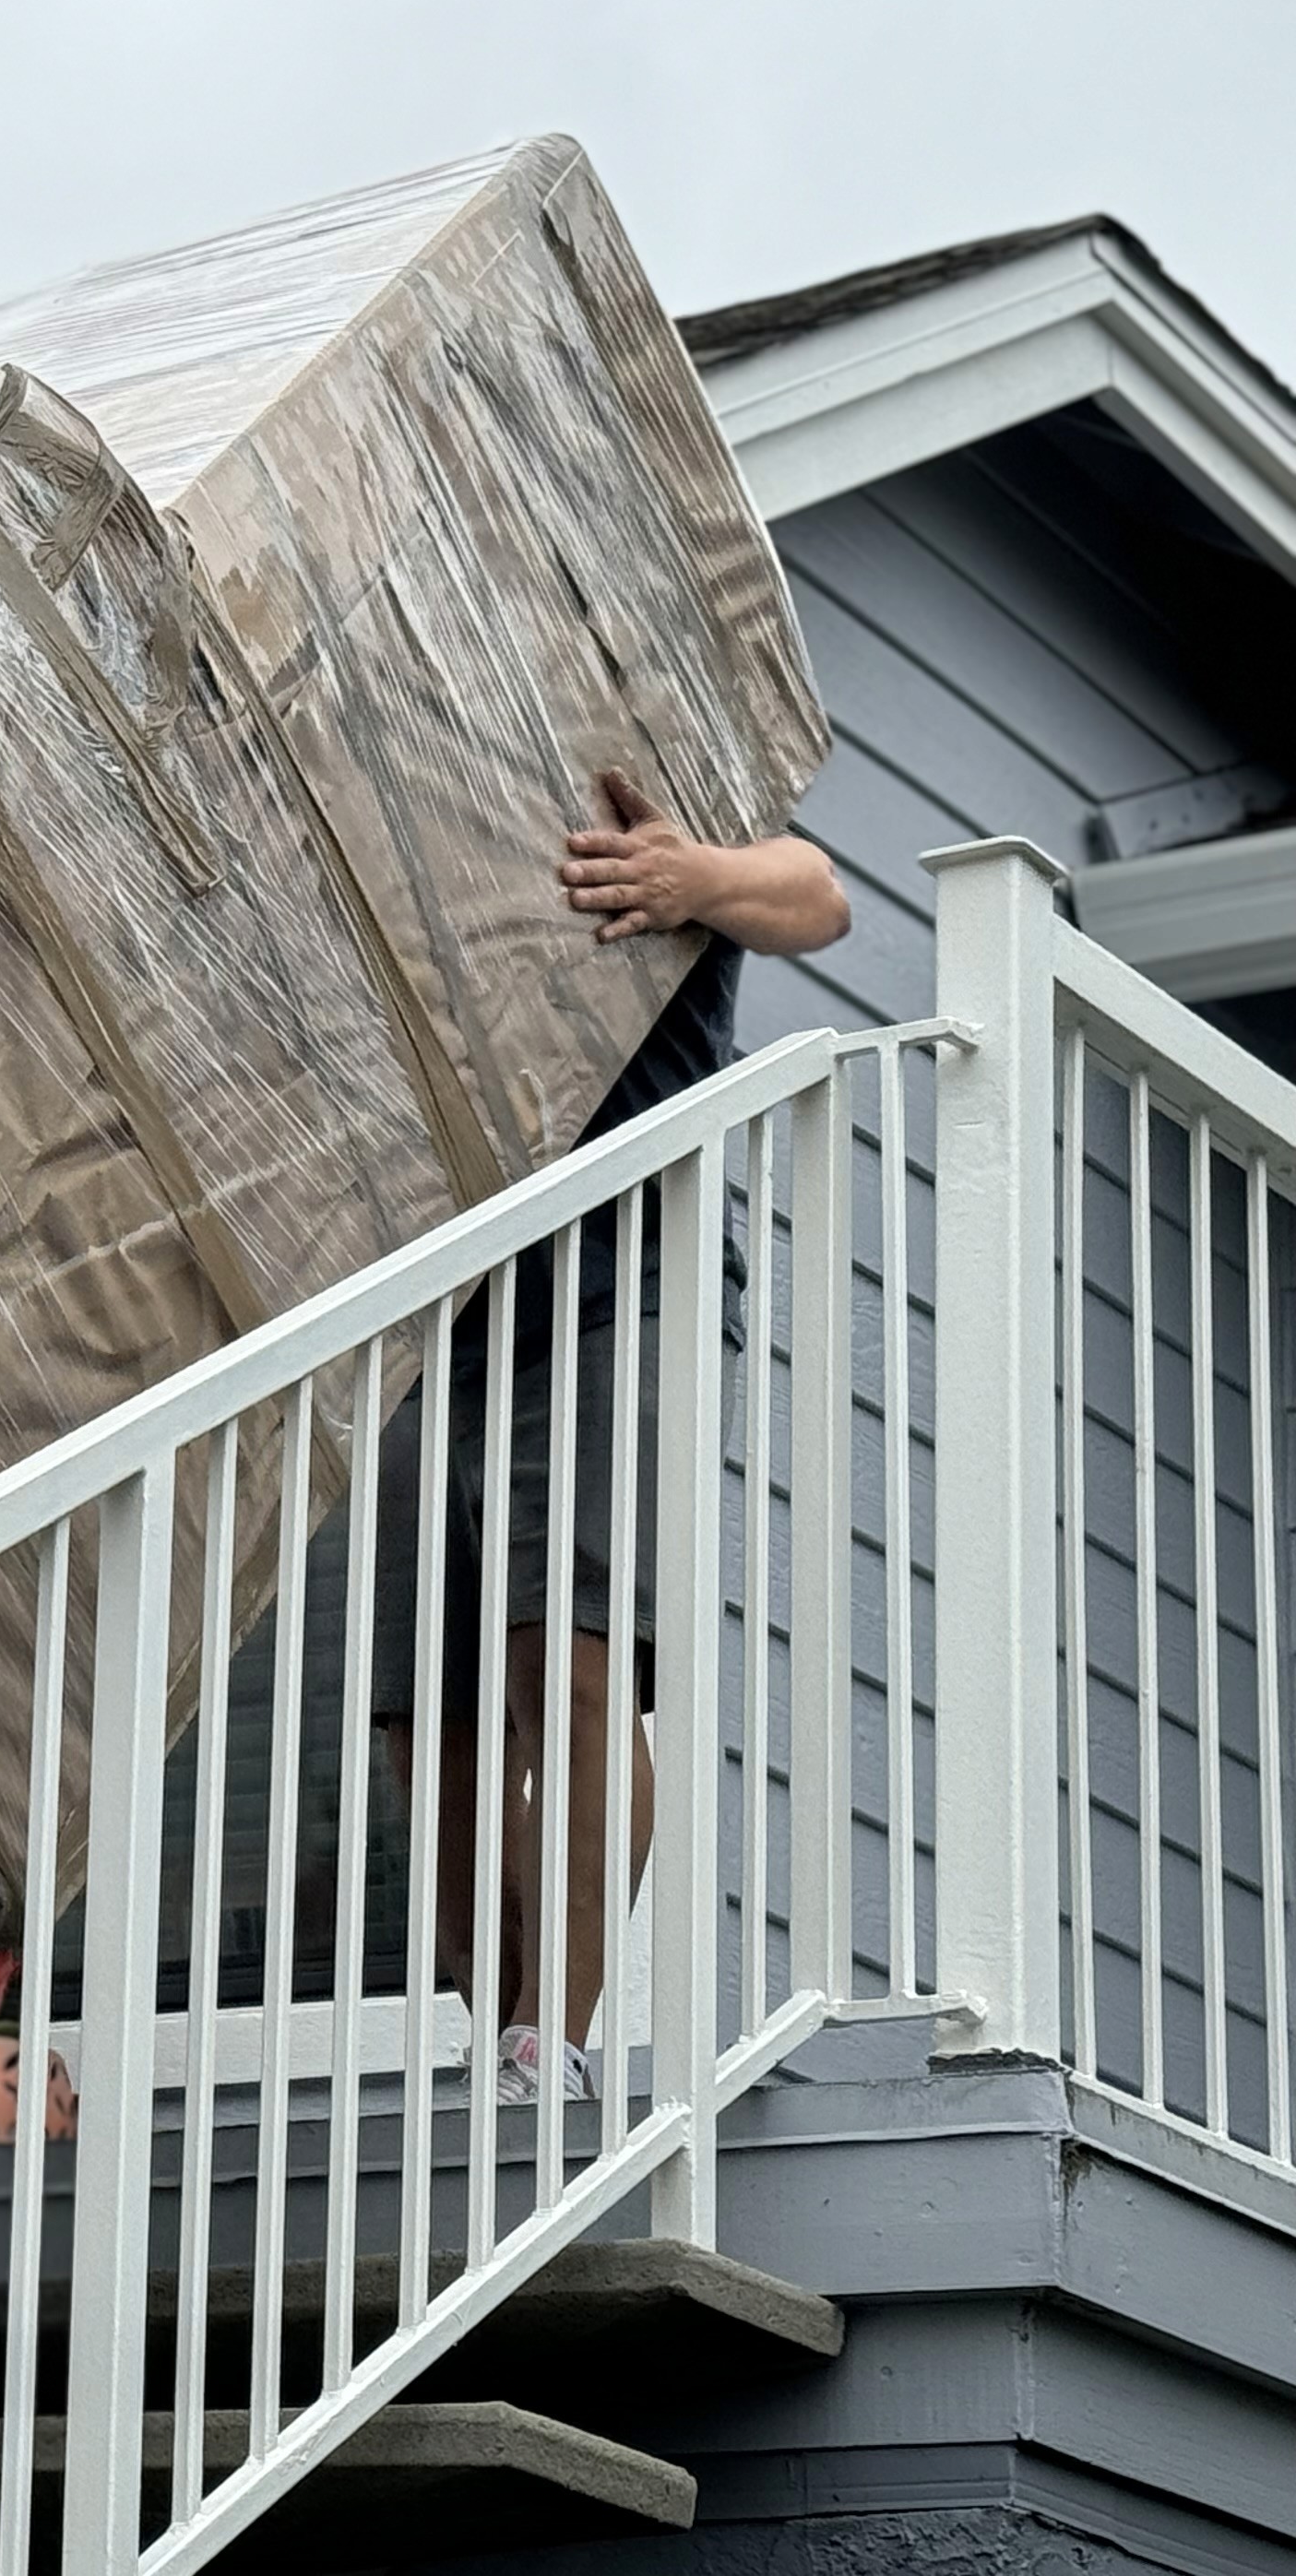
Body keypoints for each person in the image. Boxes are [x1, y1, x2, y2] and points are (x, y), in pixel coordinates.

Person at [310, 770, 848, 2106]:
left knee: (577, 1668)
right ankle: (503, 2044)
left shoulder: (637, 796)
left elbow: (821, 894)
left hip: (624, 1280)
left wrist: (692, 878)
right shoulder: (397, 814)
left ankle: (556, 2034)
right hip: (433, 1312)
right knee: (427, 1720)